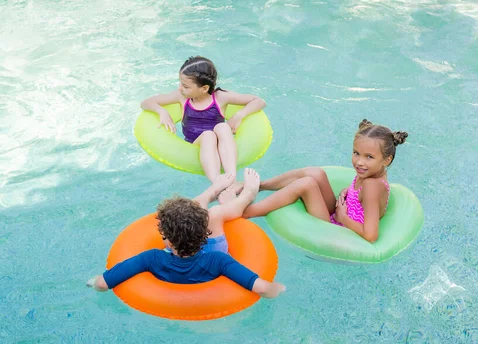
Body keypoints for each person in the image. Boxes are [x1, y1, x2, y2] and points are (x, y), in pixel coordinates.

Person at [87, 168, 285, 298]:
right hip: (207, 255)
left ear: (166, 239)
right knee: (214, 213)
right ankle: (247, 194)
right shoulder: (218, 260)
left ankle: (213, 191)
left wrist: (91, 282)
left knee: (197, 209)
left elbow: (102, 284)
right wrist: (280, 289)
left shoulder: (151, 259)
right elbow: (263, 288)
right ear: (205, 234)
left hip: (180, 259)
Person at [243, 120, 408, 243]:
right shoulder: (372, 173)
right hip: (340, 215)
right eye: (356, 153)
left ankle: (247, 212)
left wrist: (343, 218)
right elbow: (362, 199)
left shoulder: (372, 185)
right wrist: (349, 192)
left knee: (307, 184)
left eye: (369, 157)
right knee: (316, 173)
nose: (359, 162)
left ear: (386, 160)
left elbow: (371, 236)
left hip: (340, 229)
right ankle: (260, 186)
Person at [140, 56, 267, 203]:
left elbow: (259, 101)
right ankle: (218, 182)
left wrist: (240, 115)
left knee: (222, 127)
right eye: (180, 83)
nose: (180, 88)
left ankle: (231, 178)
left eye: (185, 86)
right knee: (208, 135)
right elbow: (146, 103)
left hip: (220, 140)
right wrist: (161, 111)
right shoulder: (181, 97)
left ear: (204, 88)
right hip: (197, 143)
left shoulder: (220, 97)